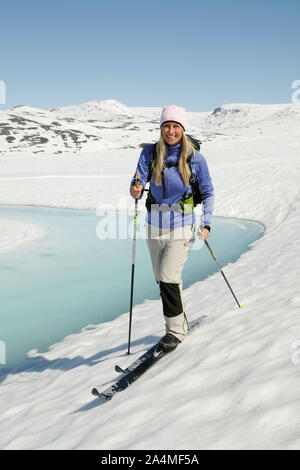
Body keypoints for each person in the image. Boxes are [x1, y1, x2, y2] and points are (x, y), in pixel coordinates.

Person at [130, 104, 214, 352]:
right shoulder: (150, 153)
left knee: (168, 278)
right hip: (153, 227)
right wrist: (135, 188)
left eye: (175, 126)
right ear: (161, 128)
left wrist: (206, 223)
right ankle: (181, 317)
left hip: (182, 226)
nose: (170, 130)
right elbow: (137, 180)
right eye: (166, 125)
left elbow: (208, 192)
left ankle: (175, 331)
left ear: (183, 128)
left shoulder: (195, 158)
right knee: (164, 280)